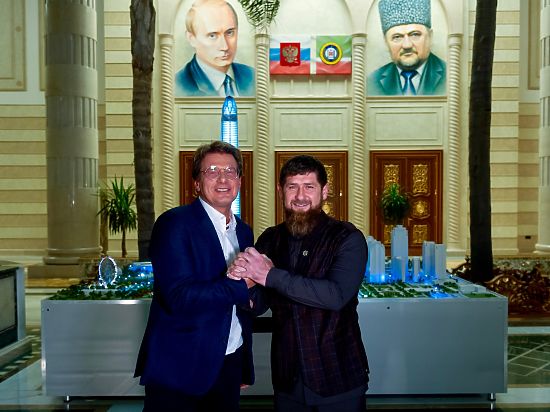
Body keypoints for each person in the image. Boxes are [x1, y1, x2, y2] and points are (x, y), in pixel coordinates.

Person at [228, 155, 369, 412]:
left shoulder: (347, 238)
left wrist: (269, 275)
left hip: (337, 375)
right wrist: (242, 283)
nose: (300, 196)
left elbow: (335, 295)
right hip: (287, 377)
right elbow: (259, 303)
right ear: (280, 191)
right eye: (292, 186)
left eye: (309, 187)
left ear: (324, 191)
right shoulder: (271, 238)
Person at [135, 141, 256, 411]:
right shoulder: (174, 224)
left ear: (239, 180)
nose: (223, 178)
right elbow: (178, 297)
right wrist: (242, 286)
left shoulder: (243, 231)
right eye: (212, 171)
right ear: (197, 184)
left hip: (228, 361)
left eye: (230, 171)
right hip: (180, 367)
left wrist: (243, 365)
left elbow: (240, 308)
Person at [175, 0, 255, 97]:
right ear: (192, 39)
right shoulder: (178, 85)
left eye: (229, 32)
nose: (225, 47)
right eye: (212, 36)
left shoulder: (253, 76)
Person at [367, 0, 446, 96]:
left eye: (415, 35)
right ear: (386, 42)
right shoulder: (372, 82)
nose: (407, 45)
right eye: (397, 37)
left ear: (430, 36)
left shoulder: (451, 75)